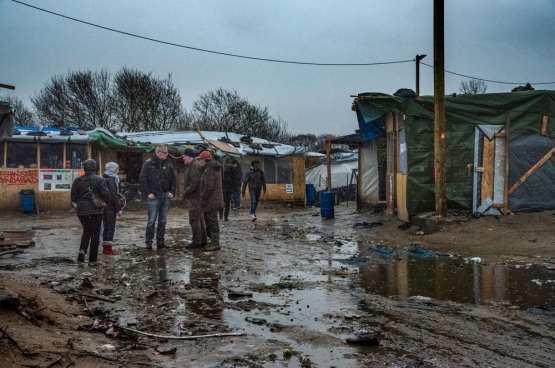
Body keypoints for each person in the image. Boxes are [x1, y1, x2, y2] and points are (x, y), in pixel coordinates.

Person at [70, 159, 110, 265]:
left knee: (87, 231)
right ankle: (92, 258)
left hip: (82, 211)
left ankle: (82, 252)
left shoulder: (78, 180)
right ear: (95, 167)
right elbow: (106, 195)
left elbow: (73, 197)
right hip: (96, 210)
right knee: (95, 234)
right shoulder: (100, 180)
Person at [139, 144, 176, 249]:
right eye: (165, 152)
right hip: (154, 196)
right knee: (151, 220)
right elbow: (143, 179)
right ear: (158, 152)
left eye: (167, 152)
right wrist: (148, 193)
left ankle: (160, 241)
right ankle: (149, 242)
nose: (166, 154)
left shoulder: (168, 163)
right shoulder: (148, 163)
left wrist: (172, 191)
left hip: (165, 194)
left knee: (163, 221)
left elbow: (173, 178)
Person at [198, 150, 224, 251]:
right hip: (215, 200)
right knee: (211, 221)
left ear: (205, 159)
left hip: (212, 201)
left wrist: (203, 198)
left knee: (212, 221)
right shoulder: (214, 169)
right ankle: (213, 242)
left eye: (200, 159)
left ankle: (215, 243)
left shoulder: (209, 170)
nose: (199, 161)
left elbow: (208, 187)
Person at [182, 148, 207, 248]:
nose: (183, 158)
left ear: (189, 157)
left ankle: (197, 242)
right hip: (196, 196)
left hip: (194, 197)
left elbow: (194, 183)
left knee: (194, 219)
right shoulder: (193, 165)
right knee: (199, 219)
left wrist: (185, 192)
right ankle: (202, 240)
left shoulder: (194, 166)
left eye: (184, 157)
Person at [101, 162, 123, 255]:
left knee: (105, 227)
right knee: (110, 227)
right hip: (110, 207)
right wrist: (119, 208)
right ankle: (108, 248)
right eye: (117, 169)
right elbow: (114, 196)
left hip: (103, 207)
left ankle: (105, 247)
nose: (118, 171)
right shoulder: (112, 180)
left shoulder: (103, 179)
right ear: (113, 170)